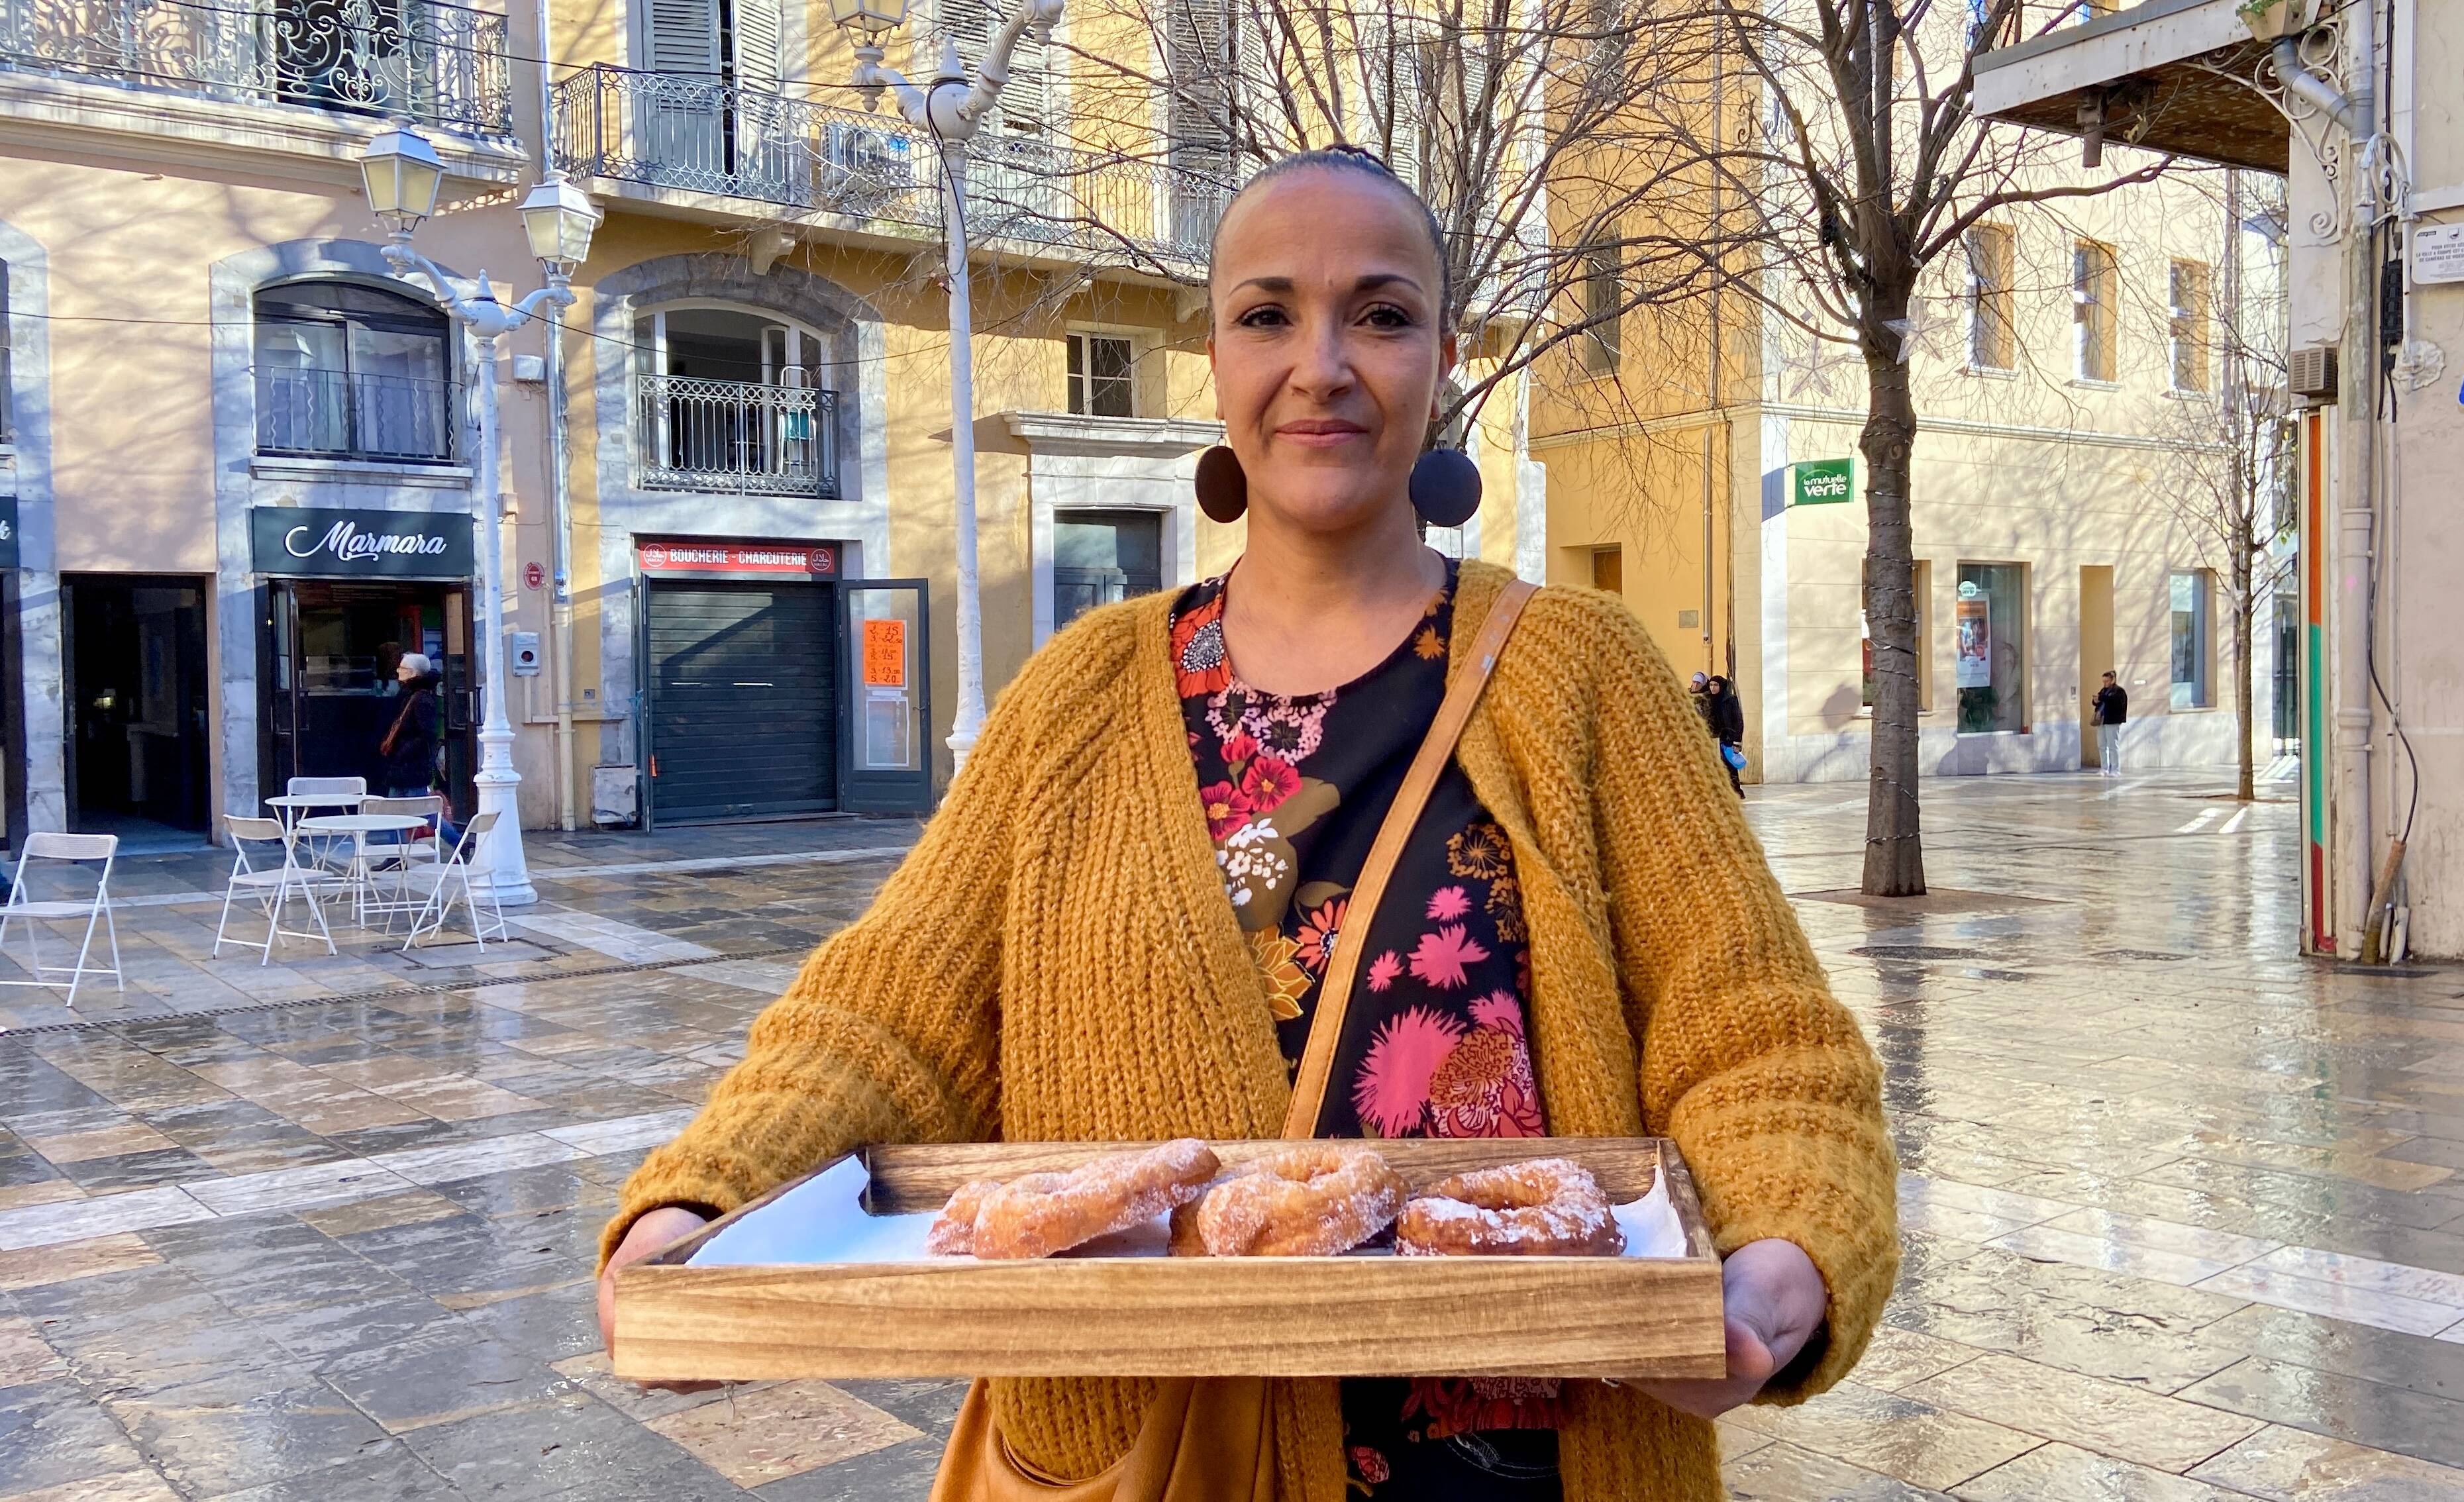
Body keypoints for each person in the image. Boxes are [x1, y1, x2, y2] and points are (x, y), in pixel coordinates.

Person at [593, 146, 1896, 1502]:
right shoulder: (1079, 698)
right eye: (1268, 314)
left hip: (1526, 1468)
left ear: (1443, 354)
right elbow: (886, 1019)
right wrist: (708, 1204)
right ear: (1213, 357)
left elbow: (1760, 1042)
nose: (1321, 363)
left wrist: (1782, 1256)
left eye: (1381, 314)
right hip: (1148, 1460)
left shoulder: (1587, 675)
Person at [377, 653, 438, 799]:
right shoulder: (410, 695)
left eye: (402, 668)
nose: (398, 671)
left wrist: (402, 752)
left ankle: (447, 825)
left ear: (413, 673)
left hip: (412, 767)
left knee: (421, 813)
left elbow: (425, 734)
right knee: (399, 812)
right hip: (404, 767)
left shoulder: (420, 699)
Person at [1704, 674, 1746, 795]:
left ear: (1721, 686)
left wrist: (1737, 742)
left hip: (1728, 738)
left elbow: (1738, 721)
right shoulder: (1708, 700)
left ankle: (1736, 791)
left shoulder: (1730, 700)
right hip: (1713, 738)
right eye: (1711, 685)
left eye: (1716, 685)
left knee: (1730, 766)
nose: (1713, 688)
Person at [2093, 670, 2129, 777]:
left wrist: (2102, 698)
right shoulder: (2103, 691)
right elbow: (2100, 701)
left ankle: (2115, 769)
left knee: (2113, 746)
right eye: (2103, 681)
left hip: (2113, 720)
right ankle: (2104, 768)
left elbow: (2114, 702)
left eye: (2107, 681)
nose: (2105, 683)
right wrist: (2096, 701)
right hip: (2102, 720)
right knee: (2102, 745)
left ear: (2113, 680)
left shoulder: (2119, 691)